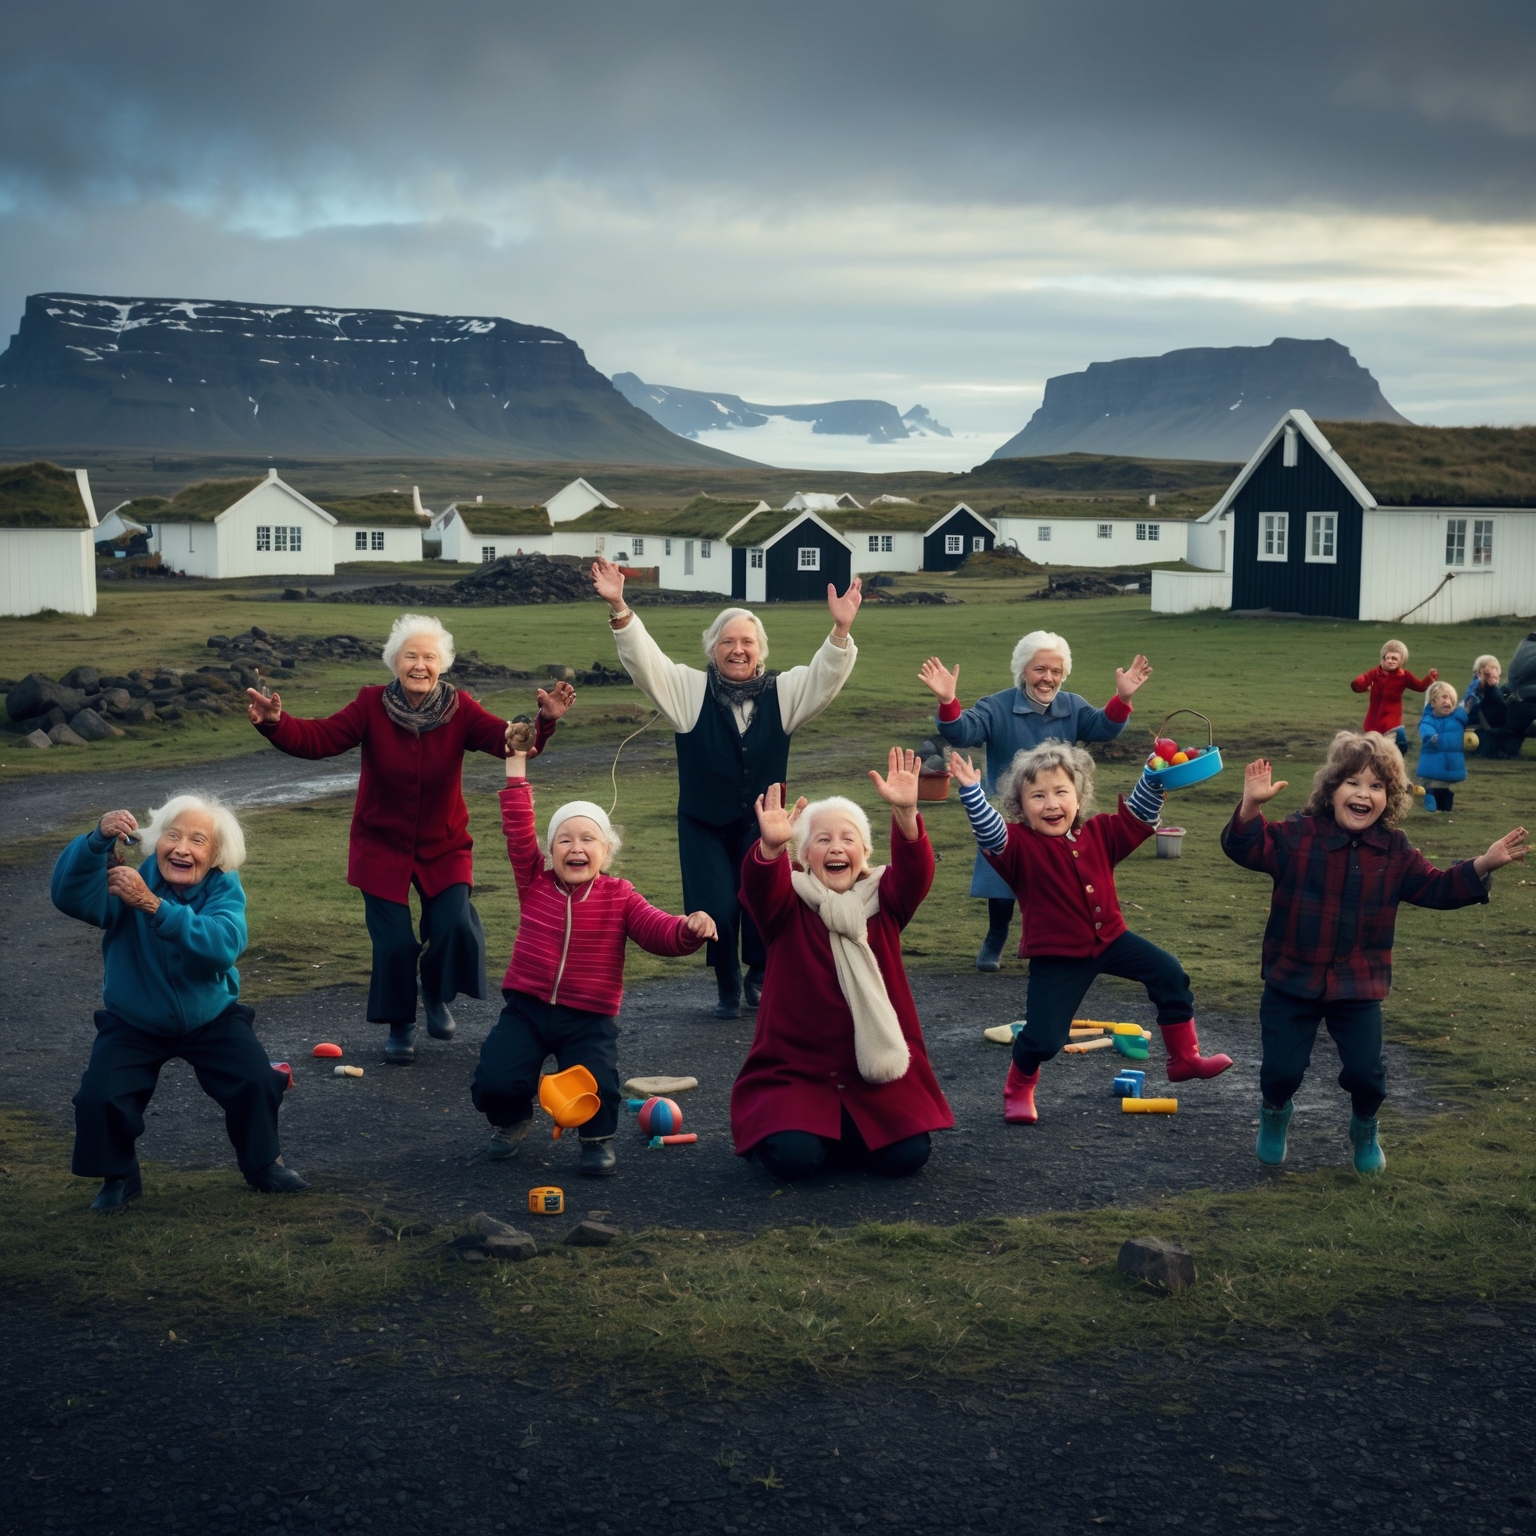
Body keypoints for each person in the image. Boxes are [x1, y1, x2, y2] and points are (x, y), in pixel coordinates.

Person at [246, 613, 571, 1065]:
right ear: (394, 662)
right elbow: (319, 738)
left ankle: (434, 994)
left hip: (445, 844)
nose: (420, 665)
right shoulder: (369, 705)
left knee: (453, 924)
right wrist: (275, 724)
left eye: (430, 657)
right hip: (380, 846)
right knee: (395, 942)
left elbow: (512, 743)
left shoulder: (462, 709)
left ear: (444, 665)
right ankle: (402, 1025)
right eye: (411, 656)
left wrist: (544, 720)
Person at [1223, 735, 1526, 1174]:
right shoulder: (1297, 835)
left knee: (1368, 1074)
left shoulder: (1395, 850)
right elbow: (1245, 847)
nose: (1364, 794)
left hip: (1359, 984)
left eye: (1377, 786)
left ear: (1391, 797)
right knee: (1282, 1070)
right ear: (1331, 790)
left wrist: (1482, 865)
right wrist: (1250, 807)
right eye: (1352, 782)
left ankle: (1364, 1126)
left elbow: (1437, 886)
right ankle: (1275, 1113)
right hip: (1293, 978)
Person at [591, 556, 862, 1019]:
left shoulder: (785, 692)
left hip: (766, 825)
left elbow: (824, 677)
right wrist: (619, 605)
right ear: (712, 649)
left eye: (747, 642)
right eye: (727, 642)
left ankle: (759, 973)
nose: (738, 650)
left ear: (761, 651)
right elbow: (647, 663)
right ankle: (726, 982)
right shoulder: (688, 690)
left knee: (763, 898)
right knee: (716, 903)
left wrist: (839, 633)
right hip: (703, 822)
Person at [469, 722, 716, 1176]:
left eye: (588, 840)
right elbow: (518, 826)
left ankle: (596, 1141)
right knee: (496, 1079)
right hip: (526, 1008)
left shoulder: (620, 895)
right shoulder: (535, 882)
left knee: (598, 1081)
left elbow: (656, 929)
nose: (576, 847)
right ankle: (512, 1120)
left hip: (588, 1017)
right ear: (550, 851)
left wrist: (688, 928)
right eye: (565, 839)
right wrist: (516, 763)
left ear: (606, 851)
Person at [52, 795, 307, 1213]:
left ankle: (263, 1163)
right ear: (156, 841)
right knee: (99, 1096)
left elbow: (223, 945)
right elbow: (68, 896)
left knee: (256, 1080)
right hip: (134, 1018)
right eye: (172, 835)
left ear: (216, 854)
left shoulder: (224, 886)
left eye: (197, 840)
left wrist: (152, 906)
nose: (182, 848)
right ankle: (119, 1175)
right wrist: (95, 841)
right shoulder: (129, 876)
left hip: (211, 1015)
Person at [953, 741, 1229, 1126]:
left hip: (1113, 941)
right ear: (1020, 807)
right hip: (1057, 956)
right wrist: (971, 793)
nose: (1051, 804)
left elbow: (1137, 818)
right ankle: (1019, 1085)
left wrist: (1153, 778)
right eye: (1038, 796)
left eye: (1061, 792)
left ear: (1078, 799)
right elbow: (991, 832)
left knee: (1168, 972)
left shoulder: (1099, 833)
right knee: (1045, 1040)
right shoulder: (1017, 845)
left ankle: (1184, 1058)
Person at [730, 750, 953, 1180]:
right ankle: (813, 1133)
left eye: (848, 839)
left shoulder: (885, 902)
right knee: (793, 1160)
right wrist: (771, 847)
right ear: (804, 855)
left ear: (864, 853)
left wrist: (906, 814)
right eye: (822, 839)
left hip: (873, 1077)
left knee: (907, 1158)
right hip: (796, 1074)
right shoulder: (786, 902)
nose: (836, 848)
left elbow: (915, 874)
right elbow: (759, 885)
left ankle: (845, 1132)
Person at [920, 632, 1152, 971]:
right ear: (1023, 671)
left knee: (1058, 879)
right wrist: (948, 702)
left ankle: (1048, 942)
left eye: (1056, 671)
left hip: (1055, 810)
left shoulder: (1072, 706)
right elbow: (962, 732)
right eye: (1039, 669)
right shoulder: (995, 706)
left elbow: (1103, 727)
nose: (1048, 678)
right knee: (1000, 878)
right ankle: (996, 936)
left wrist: (1123, 698)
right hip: (1009, 810)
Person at [1350, 638, 1435, 753]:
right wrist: (1359, 682)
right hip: (1373, 720)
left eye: (1394, 658)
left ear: (1401, 660)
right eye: (1388, 658)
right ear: (1382, 659)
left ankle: (1393, 763)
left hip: (1391, 721)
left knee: (1388, 750)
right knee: (1371, 750)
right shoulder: (1375, 672)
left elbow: (1420, 686)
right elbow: (1361, 683)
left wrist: (1429, 678)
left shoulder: (1405, 676)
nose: (1391, 661)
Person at [1416, 680, 1470, 813]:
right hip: (1433, 763)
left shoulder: (1457, 718)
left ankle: (1434, 800)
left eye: (1451, 699)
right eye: (1444, 697)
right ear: (1433, 702)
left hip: (1450, 763)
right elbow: (1426, 730)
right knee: (1434, 786)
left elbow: (1468, 709)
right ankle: (1429, 797)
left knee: (1443, 790)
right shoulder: (1428, 720)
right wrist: (1432, 737)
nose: (1448, 701)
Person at [1462, 654, 1508, 758]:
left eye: (1494, 677)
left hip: (1487, 728)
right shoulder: (1475, 691)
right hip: (1474, 728)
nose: (1491, 679)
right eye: (1487, 676)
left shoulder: (1492, 692)